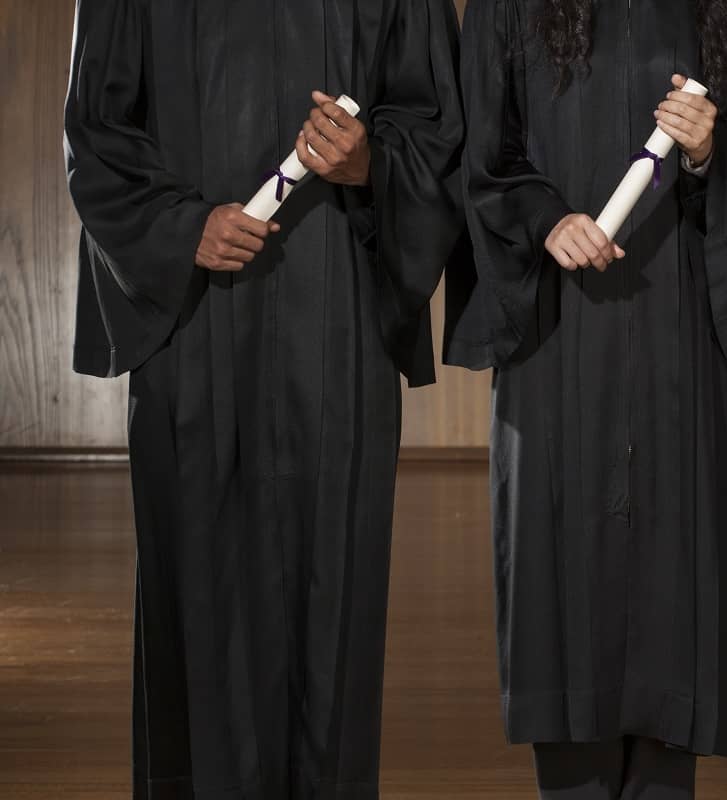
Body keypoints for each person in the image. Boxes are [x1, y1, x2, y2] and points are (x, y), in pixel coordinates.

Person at [63, 0, 464, 796]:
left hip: (337, 321)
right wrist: (182, 230)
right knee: (199, 607)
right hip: (199, 327)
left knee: (333, 607)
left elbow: (437, 124)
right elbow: (96, 132)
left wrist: (370, 162)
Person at [445, 0, 727, 796]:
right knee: (565, 612)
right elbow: (478, 151)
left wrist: (712, 153)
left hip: (686, 339)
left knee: (678, 615)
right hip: (561, 341)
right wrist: (545, 218)